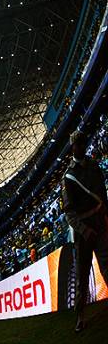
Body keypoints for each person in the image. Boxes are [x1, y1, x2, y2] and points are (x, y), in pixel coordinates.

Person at [61, 130, 108, 332]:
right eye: (77, 144)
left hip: (100, 223)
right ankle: (80, 316)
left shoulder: (94, 165)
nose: (81, 146)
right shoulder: (68, 177)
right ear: (72, 147)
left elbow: (102, 193)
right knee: (82, 276)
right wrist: (84, 230)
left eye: (83, 142)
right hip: (83, 232)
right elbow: (69, 214)